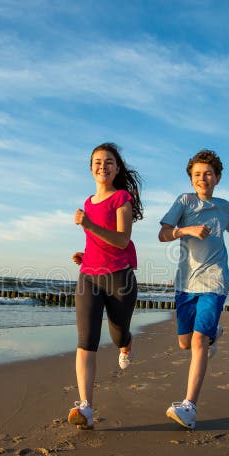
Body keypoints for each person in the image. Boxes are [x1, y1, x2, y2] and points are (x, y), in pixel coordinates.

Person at [158, 149, 229, 429]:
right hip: (185, 283)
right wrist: (186, 230)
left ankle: (189, 407)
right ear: (191, 180)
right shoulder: (184, 202)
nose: (203, 178)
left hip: (214, 281)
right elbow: (163, 234)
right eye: (198, 174)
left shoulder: (225, 207)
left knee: (199, 342)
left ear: (218, 178)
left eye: (209, 174)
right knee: (185, 343)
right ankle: (214, 334)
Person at [67, 142, 144, 430]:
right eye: (97, 161)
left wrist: (88, 224)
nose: (103, 165)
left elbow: (122, 240)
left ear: (117, 168)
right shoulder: (88, 201)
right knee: (86, 340)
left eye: (109, 161)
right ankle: (85, 407)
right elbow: (98, 241)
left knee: (117, 335)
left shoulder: (121, 198)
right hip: (88, 276)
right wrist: (86, 255)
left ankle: (127, 344)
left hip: (119, 278)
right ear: (90, 168)